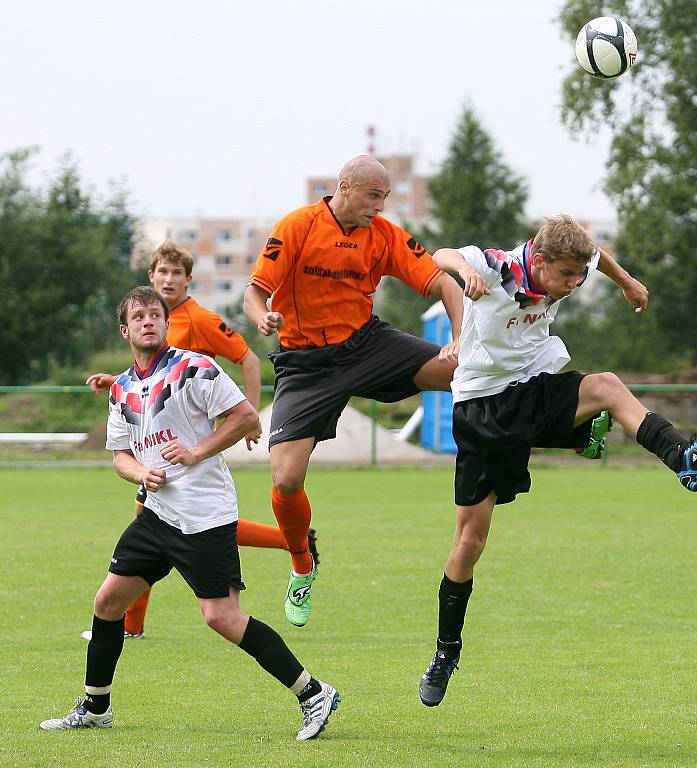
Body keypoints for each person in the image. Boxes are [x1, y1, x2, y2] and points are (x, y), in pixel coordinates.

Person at [417, 215, 697, 707]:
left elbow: (594, 253)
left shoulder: (567, 258)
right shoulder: (497, 267)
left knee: (606, 385)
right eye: (567, 276)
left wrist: (625, 280)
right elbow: (441, 256)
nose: (573, 286)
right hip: (483, 410)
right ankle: (445, 651)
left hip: (533, 385)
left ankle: (683, 457)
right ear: (539, 262)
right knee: (469, 542)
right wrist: (466, 271)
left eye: (579, 276)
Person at [41, 287, 340, 739]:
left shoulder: (194, 367)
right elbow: (120, 456)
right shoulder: (120, 388)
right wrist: (142, 472)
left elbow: (245, 417)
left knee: (221, 618)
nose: (148, 321)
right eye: (138, 316)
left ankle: (315, 693)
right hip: (156, 516)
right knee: (107, 602)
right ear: (125, 330)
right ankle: (96, 706)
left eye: (154, 315)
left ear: (165, 323)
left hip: (204, 514)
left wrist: (197, 451)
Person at [243, 155, 465, 627]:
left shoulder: (382, 234)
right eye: (373, 196)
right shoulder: (298, 226)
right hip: (306, 365)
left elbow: (444, 282)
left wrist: (459, 338)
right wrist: (262, 317)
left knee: (466, 374)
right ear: (345, 187)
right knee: (284, 480)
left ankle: (565, 427)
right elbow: (254, 292)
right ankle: (303, 564)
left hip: (366, 345)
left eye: (385, 198)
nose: (379, 207)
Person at [83, 241, 318, 641]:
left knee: (171, 529)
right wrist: (119, 382)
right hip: (157, 447)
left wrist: (249, 413)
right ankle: (131, 624)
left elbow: (246, 358)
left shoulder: (198, 319)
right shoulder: (150, 318)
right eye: (162, 272)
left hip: (189, 447)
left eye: (177, 273)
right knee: (155, 526)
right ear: (151, 277)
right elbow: (150, 378)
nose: (169, 279)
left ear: (188, 279)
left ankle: (131, 625)